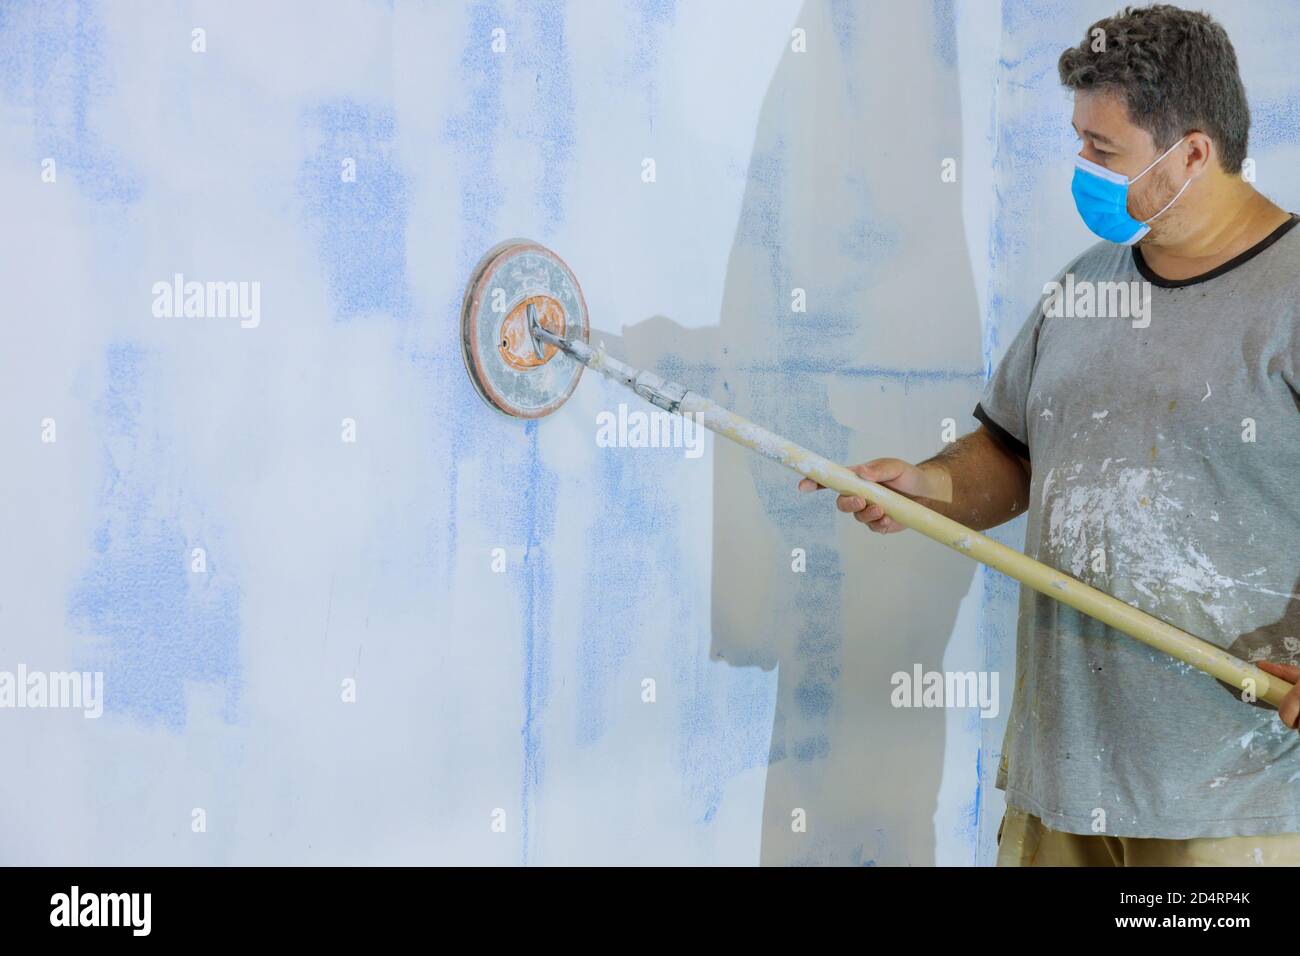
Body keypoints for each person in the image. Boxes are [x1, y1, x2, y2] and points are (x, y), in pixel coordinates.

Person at [801, 3, 1300, 866]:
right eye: (1080, 140)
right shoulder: (1083, 287)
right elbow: (1012, 455)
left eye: (1103, 150)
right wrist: (929, 487)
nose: (1082, 167)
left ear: (1192, 152)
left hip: (1232, 799)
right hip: (1060, 780)